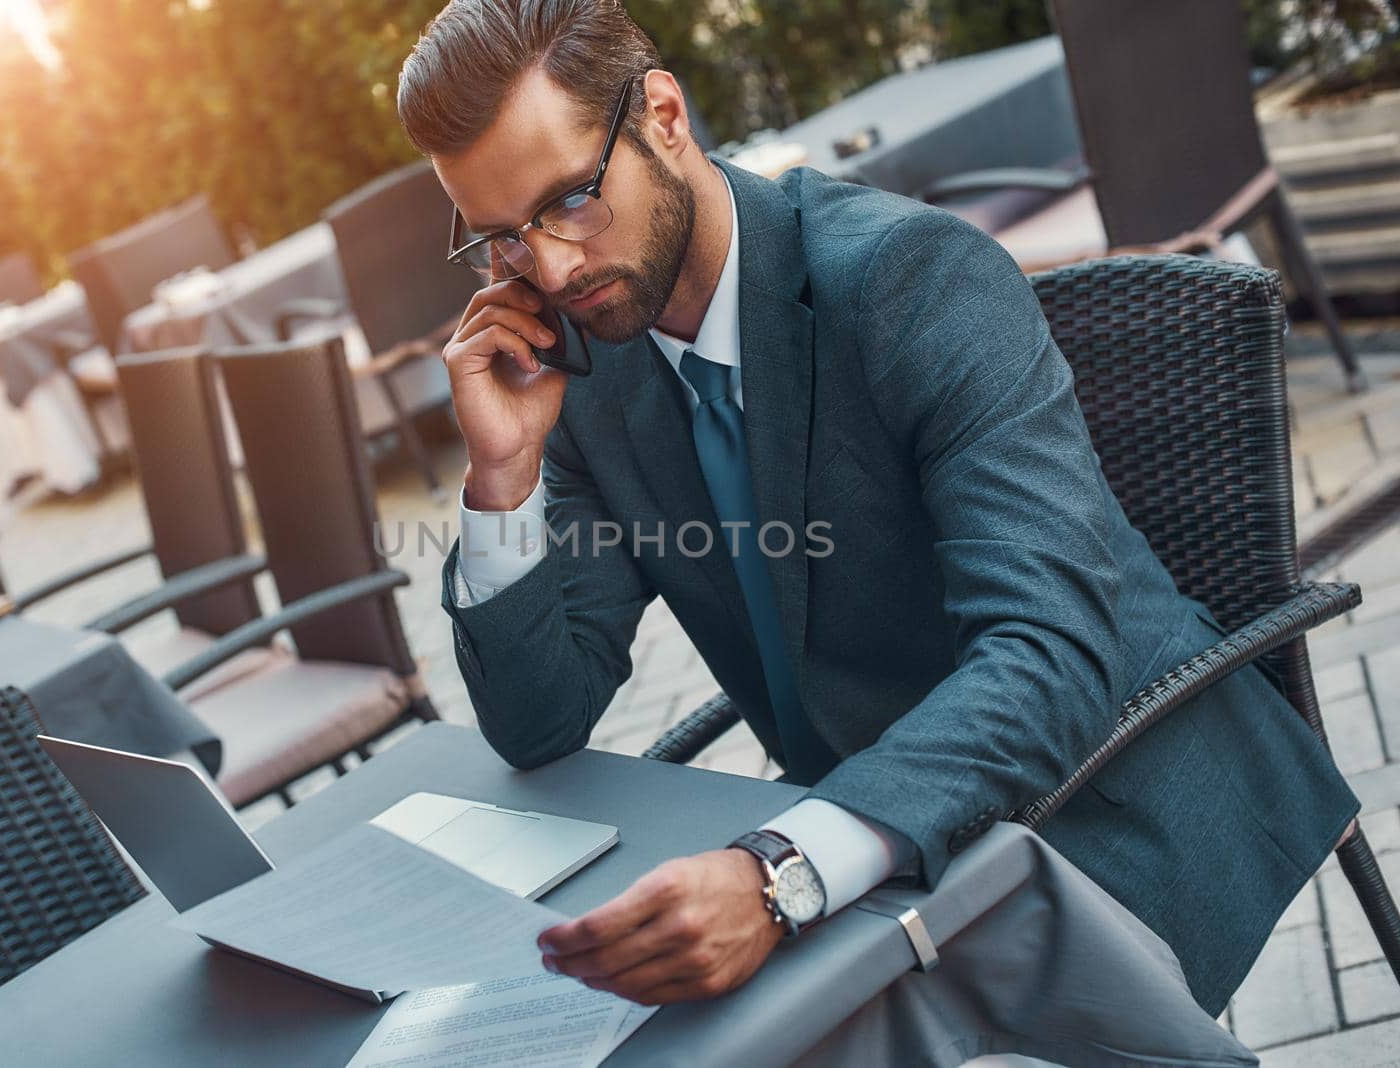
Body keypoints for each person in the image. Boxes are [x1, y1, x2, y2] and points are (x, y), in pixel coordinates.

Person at [396, 0, 1354, 1017]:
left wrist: (780, 871)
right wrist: (500, 482)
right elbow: (541, 721)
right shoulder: (590, 373)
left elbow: (1047, 652)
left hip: (1120, 795)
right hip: (873, 850)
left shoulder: (913, 278)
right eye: (501, 239)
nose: (550, 269)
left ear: (665, 117)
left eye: (572, 201)